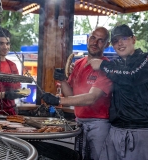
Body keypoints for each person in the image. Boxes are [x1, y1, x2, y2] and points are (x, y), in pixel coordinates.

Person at [86, 24, 148, 160]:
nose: (119, 44)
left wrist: (103, 65)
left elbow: (132, 76)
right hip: (115, 131)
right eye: (115, 41)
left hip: (144, 132)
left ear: (134, 39)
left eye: (124, 38)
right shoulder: (115, 65)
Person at [41, 27, 113, 160]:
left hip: (99, 124)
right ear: (87, 39)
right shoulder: (79, 63)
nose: (95, 43)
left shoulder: (106, 67)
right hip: (79, 122)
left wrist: (58, 101)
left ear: (106, 45)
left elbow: (91, 98)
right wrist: (62, 80)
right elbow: (70, 96)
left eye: (100, 40)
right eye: (93, 38)